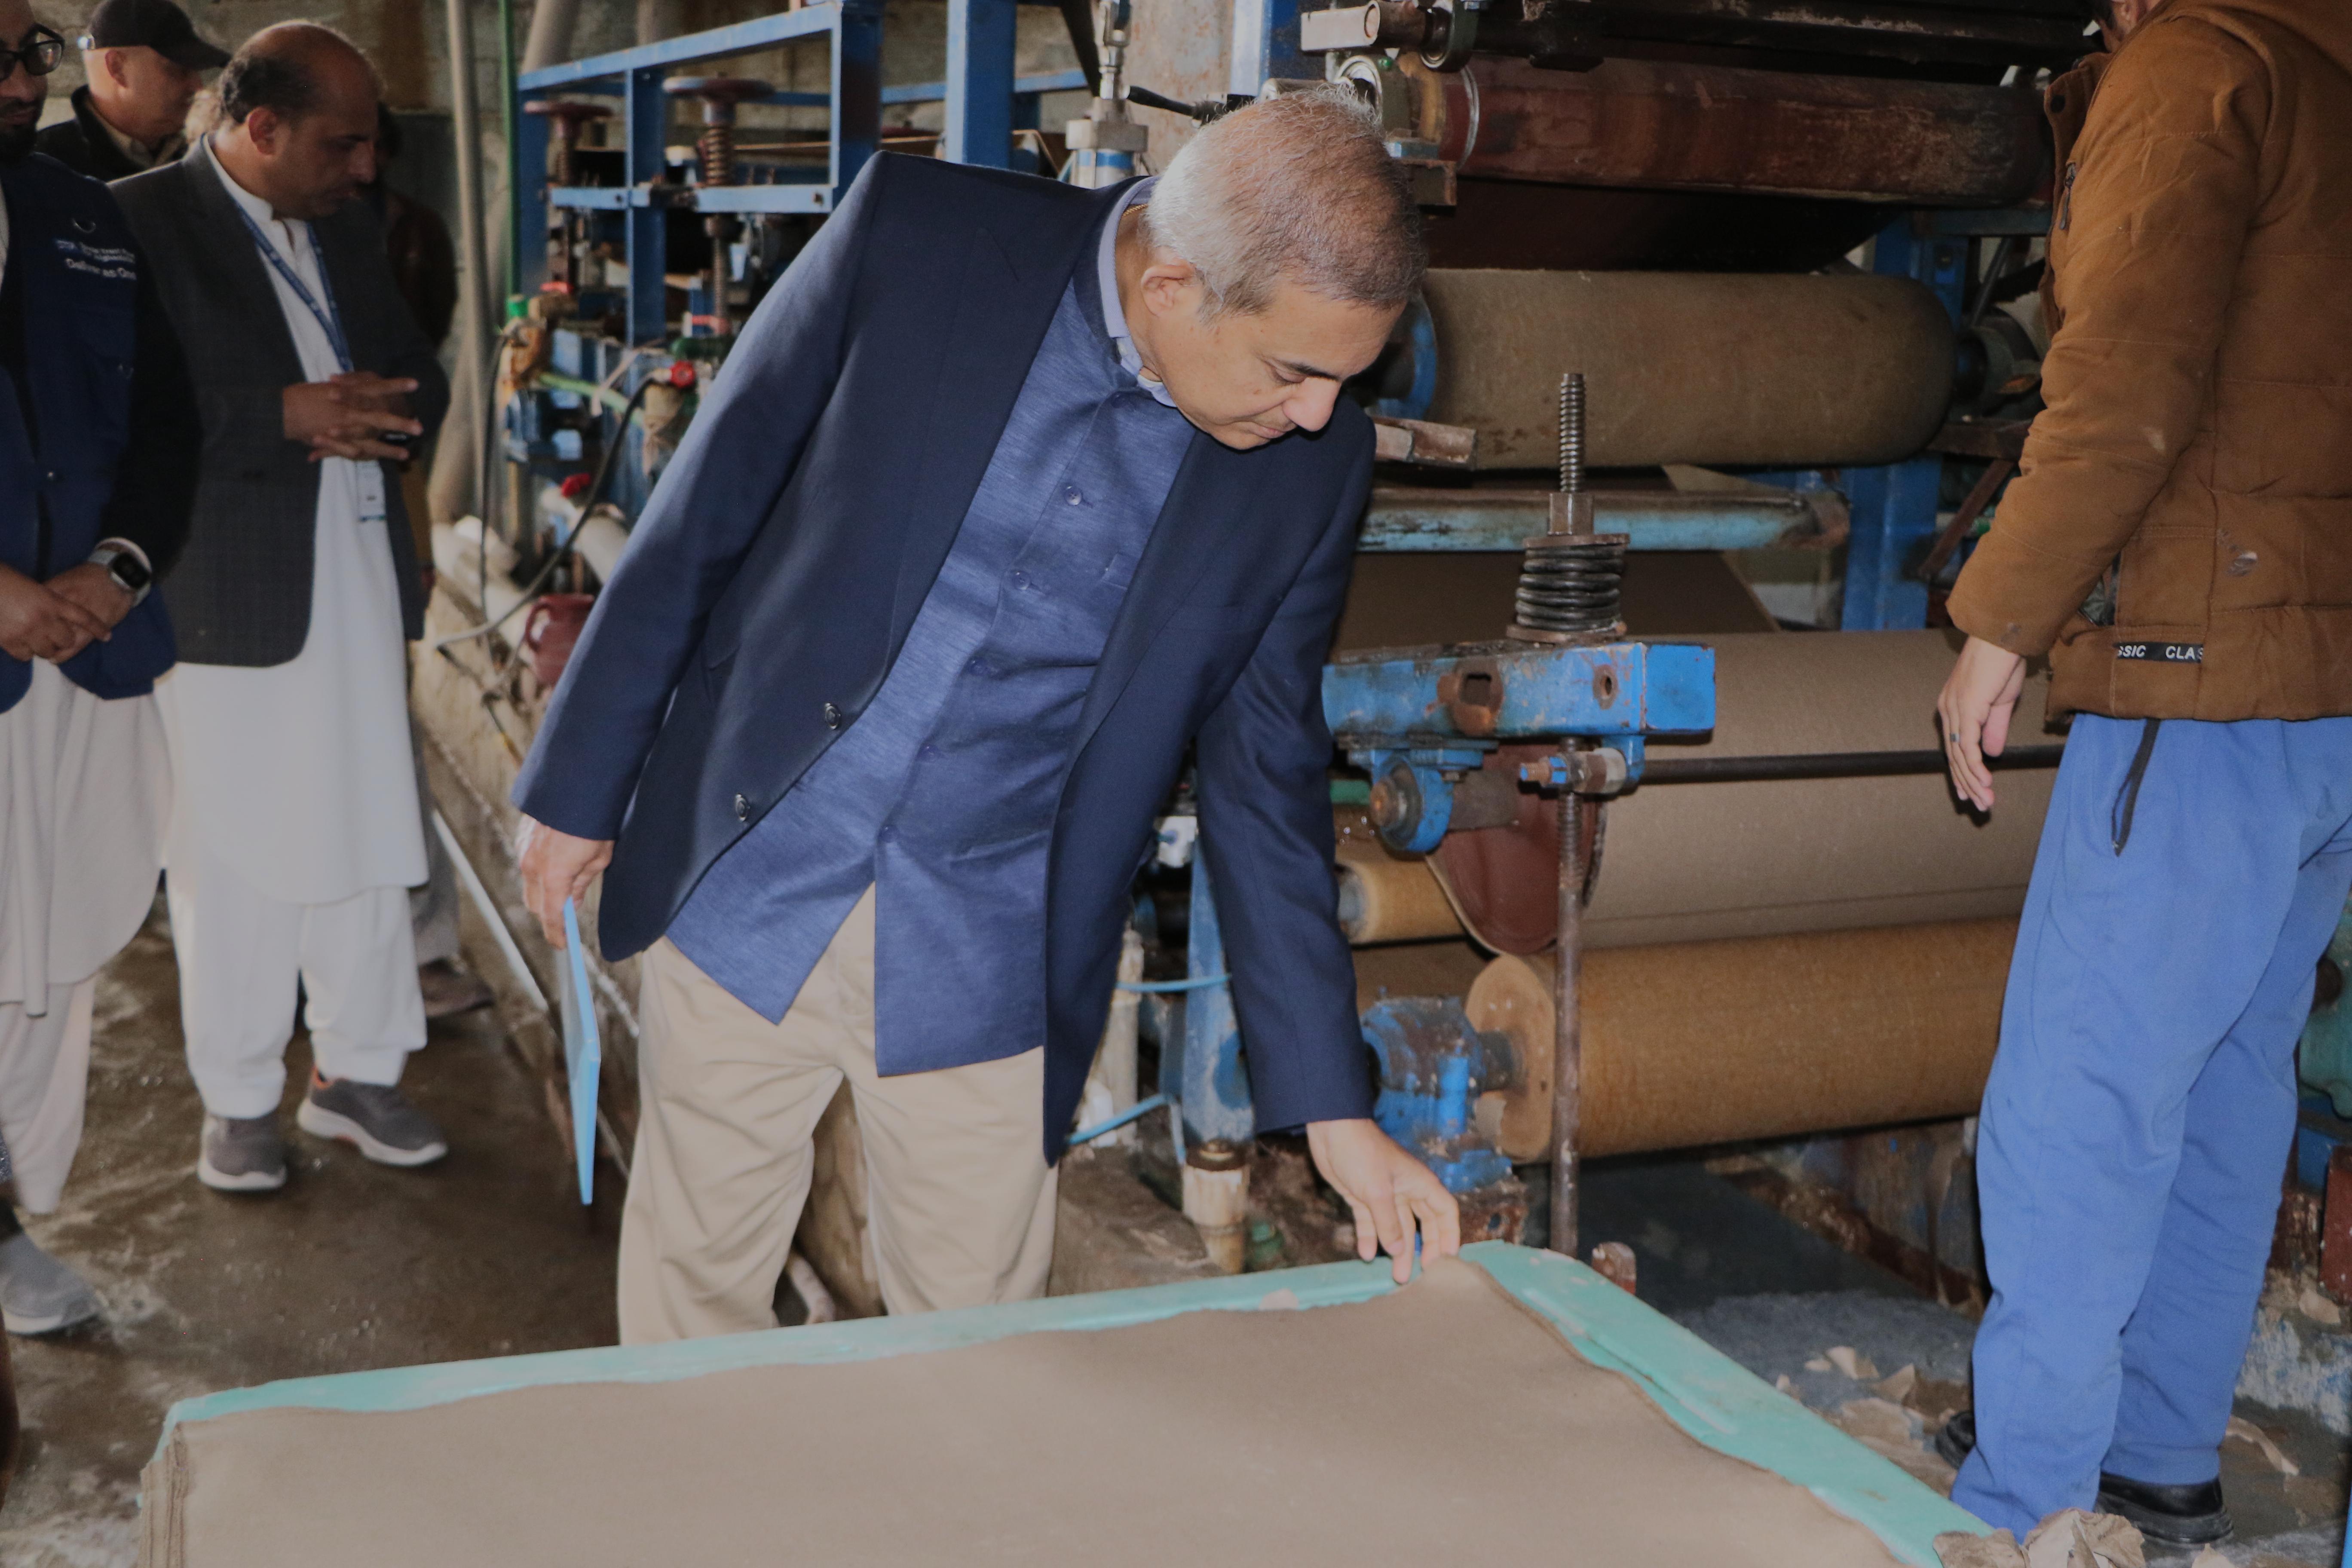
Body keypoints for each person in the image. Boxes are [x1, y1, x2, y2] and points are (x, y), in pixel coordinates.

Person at [514, 90, 1461, 1343]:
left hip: (995, 948)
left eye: (1346, 381)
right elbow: (706, 508)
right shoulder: (918, 241)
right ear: (1174, 286)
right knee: (692, 1290)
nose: (1319, 416)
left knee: (979, 1354)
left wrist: (1337, 1114)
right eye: (1296, 370)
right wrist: (578, 789)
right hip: (752, 866)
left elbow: (1265, 772)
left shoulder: (1307, 469)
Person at [1933, 0, 2352, 1543]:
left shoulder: (2195, 66)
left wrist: (1996, 624)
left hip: (2201, 668)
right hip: (2324, 690)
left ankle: (2027, 1501)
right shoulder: (2320, 63)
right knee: (2231, 1075)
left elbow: (2119, 382)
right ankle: (2159, 1454)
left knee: (2079, 1098)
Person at [113, 23, 451, 1194]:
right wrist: (281, 417)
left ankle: (358, 1072)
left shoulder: (345, 229)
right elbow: (118, 419)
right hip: (226, 601)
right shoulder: (139, 225)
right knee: (239, 856)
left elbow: (421, 356)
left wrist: (392, 401)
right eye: (341, 143)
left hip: (356, 583)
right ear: (259, 130)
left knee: (366, 833)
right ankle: (242, 1097)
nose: (366, 168)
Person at [0, 0, 196, 1327]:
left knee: (48, 958)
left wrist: (108, 573)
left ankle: (8, 1213)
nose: (31, 77)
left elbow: (165, 428)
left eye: (37, 52)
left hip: (81, 654)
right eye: (9, 52)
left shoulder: (88, 216)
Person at [34, 0, 223, 181]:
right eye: (178, 70)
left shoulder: (206, 150)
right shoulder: (42, 168)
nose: (197, 86)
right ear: (117, 68)